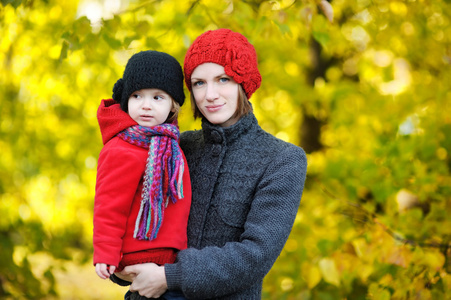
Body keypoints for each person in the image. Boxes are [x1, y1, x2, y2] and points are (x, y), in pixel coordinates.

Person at [107, 28, 308, 299]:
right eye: (199, 83)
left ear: (243, 84)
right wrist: (120, 265)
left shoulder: (282, 160)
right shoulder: (175, 146)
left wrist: (169, 276)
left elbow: (255, 255)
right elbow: (124, 212)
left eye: (223, 79)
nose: (210, 94)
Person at [93, 50, 191, 299]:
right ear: (126, 100)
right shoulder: (122, 147)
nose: (146, 105)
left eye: (158, 97)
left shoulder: (169, 145)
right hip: (140, 256)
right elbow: (109, 205)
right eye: (137, 96)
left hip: (168, 261)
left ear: (173, 105)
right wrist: (105, 253)